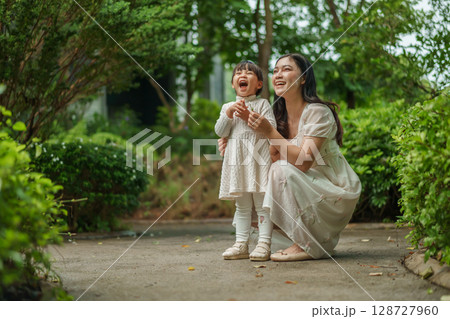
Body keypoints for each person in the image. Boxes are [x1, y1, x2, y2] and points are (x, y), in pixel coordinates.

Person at [219, 53, 361, 261]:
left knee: (279, 170)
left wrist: (269, 133)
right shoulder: (277, 117)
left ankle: (304, 244)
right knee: (251, 192)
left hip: (331, 190)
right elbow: (264, 153)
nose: (278, 74)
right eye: (275, 70)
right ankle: (285, 241)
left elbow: (303, 162)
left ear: (303, 78)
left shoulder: (317, 113)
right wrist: (232, 141)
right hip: (304, 188)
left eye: (286, 69)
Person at [215, 61, 277, 261]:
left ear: (259, 84)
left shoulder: (263, 104)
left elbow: (270, 128)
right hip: (237, 164)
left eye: (249, 73)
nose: (243, 75)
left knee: (262, 206)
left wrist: (248, 114)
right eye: (239, 73)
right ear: (233, 84)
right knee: (241, 207)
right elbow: (220, 131)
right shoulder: (227, 107)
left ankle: (264, 244)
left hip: (258, 162)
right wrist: (229, 113)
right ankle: (241, 244)